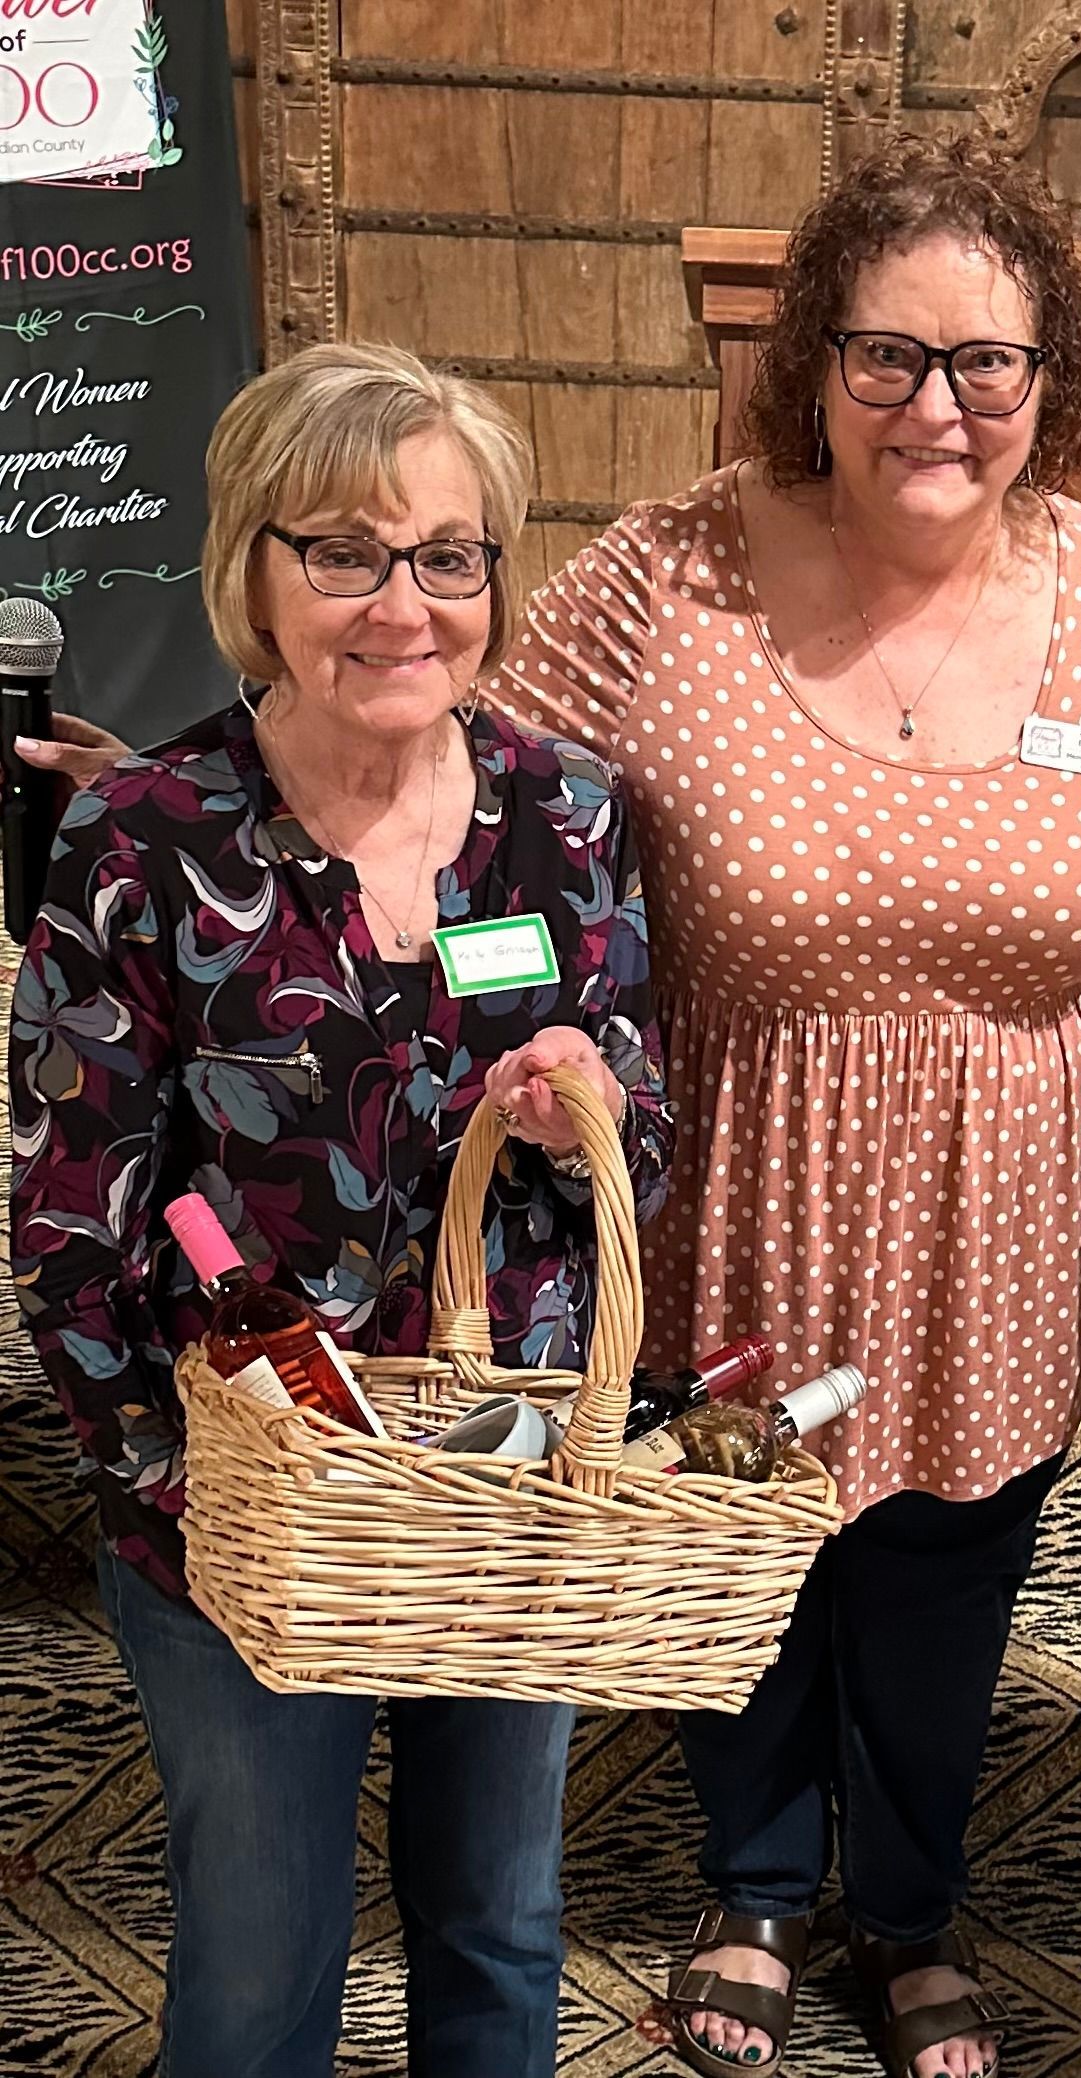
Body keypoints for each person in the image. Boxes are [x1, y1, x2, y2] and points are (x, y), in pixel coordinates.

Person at [489, 133, 1081, 2078]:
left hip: (1014, 1206)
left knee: (940, 1573)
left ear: (1045, 376)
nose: (935, 402)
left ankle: (907, 1907)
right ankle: (750, 1881)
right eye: (885, 353)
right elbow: (475, 782)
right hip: (729, 1174)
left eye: (984, 361)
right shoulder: (672, 570)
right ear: (810, 357)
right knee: (742, 1535)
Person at [8, 342, 675, 2078]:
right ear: (254, 566)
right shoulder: (144, 839)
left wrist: (585, 1114)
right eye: (346, 552)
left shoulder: (565, 816)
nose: (404, 606)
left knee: (498, 1926)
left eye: (448, 555)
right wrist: (175, 1483)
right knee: (256, 1956)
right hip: (239, 1496)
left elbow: (639, 1148)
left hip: (498, 1480)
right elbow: (75, 1218)